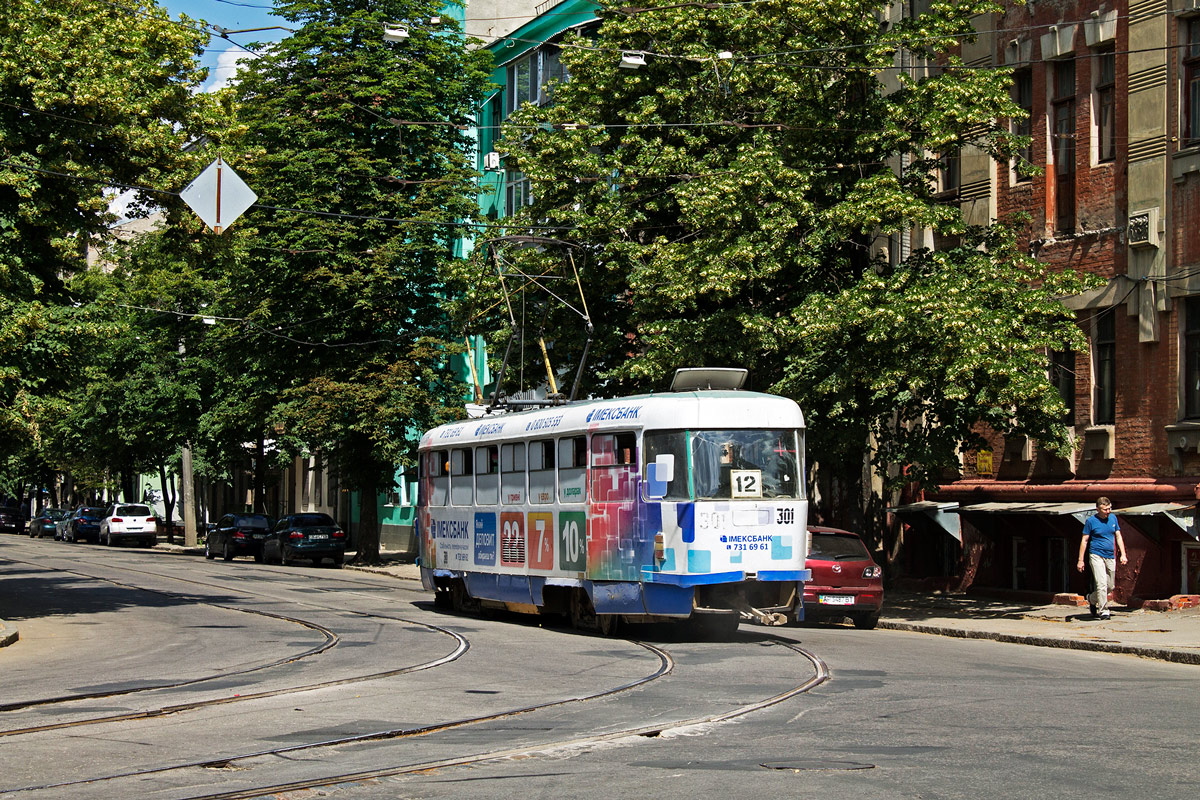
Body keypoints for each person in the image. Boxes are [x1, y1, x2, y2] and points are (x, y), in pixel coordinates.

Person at [1076, 496, 1128, 620]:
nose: (1108, 512)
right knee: (1101, 584)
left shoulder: (1113, 518)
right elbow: (1084, 540)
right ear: (1097, 509)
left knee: (1110, 586)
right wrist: (1080, 560)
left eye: (1109, 508)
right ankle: (1104, 610)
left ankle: (1091, 599)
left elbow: (1118, 536)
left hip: (1110, 555)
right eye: (1105, 510)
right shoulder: (1091, 521)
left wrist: (1123, 554)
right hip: (1096, 554)